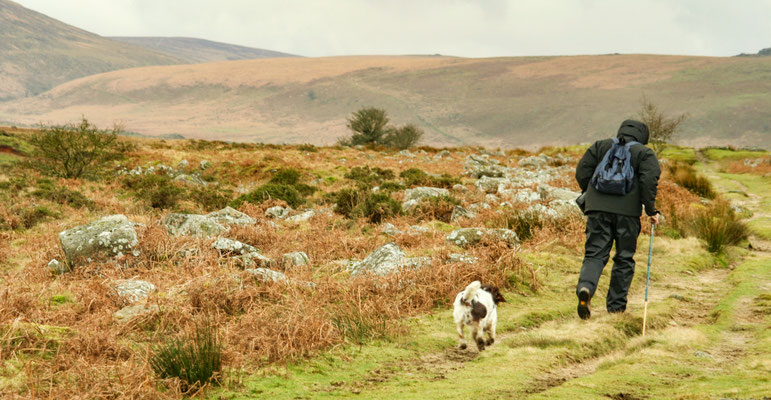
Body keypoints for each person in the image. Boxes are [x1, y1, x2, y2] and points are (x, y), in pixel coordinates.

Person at [574, 119, 661, 319]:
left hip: (596, 210)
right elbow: (649, 181)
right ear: (643, 136)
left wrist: (592, 194)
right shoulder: (644, 153)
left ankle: (585, 288)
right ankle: (615, 308)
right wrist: (651, 210)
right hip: (628, 214)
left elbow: (582, 172)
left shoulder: (601, 146)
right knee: (624, 257)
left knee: (595, 254)